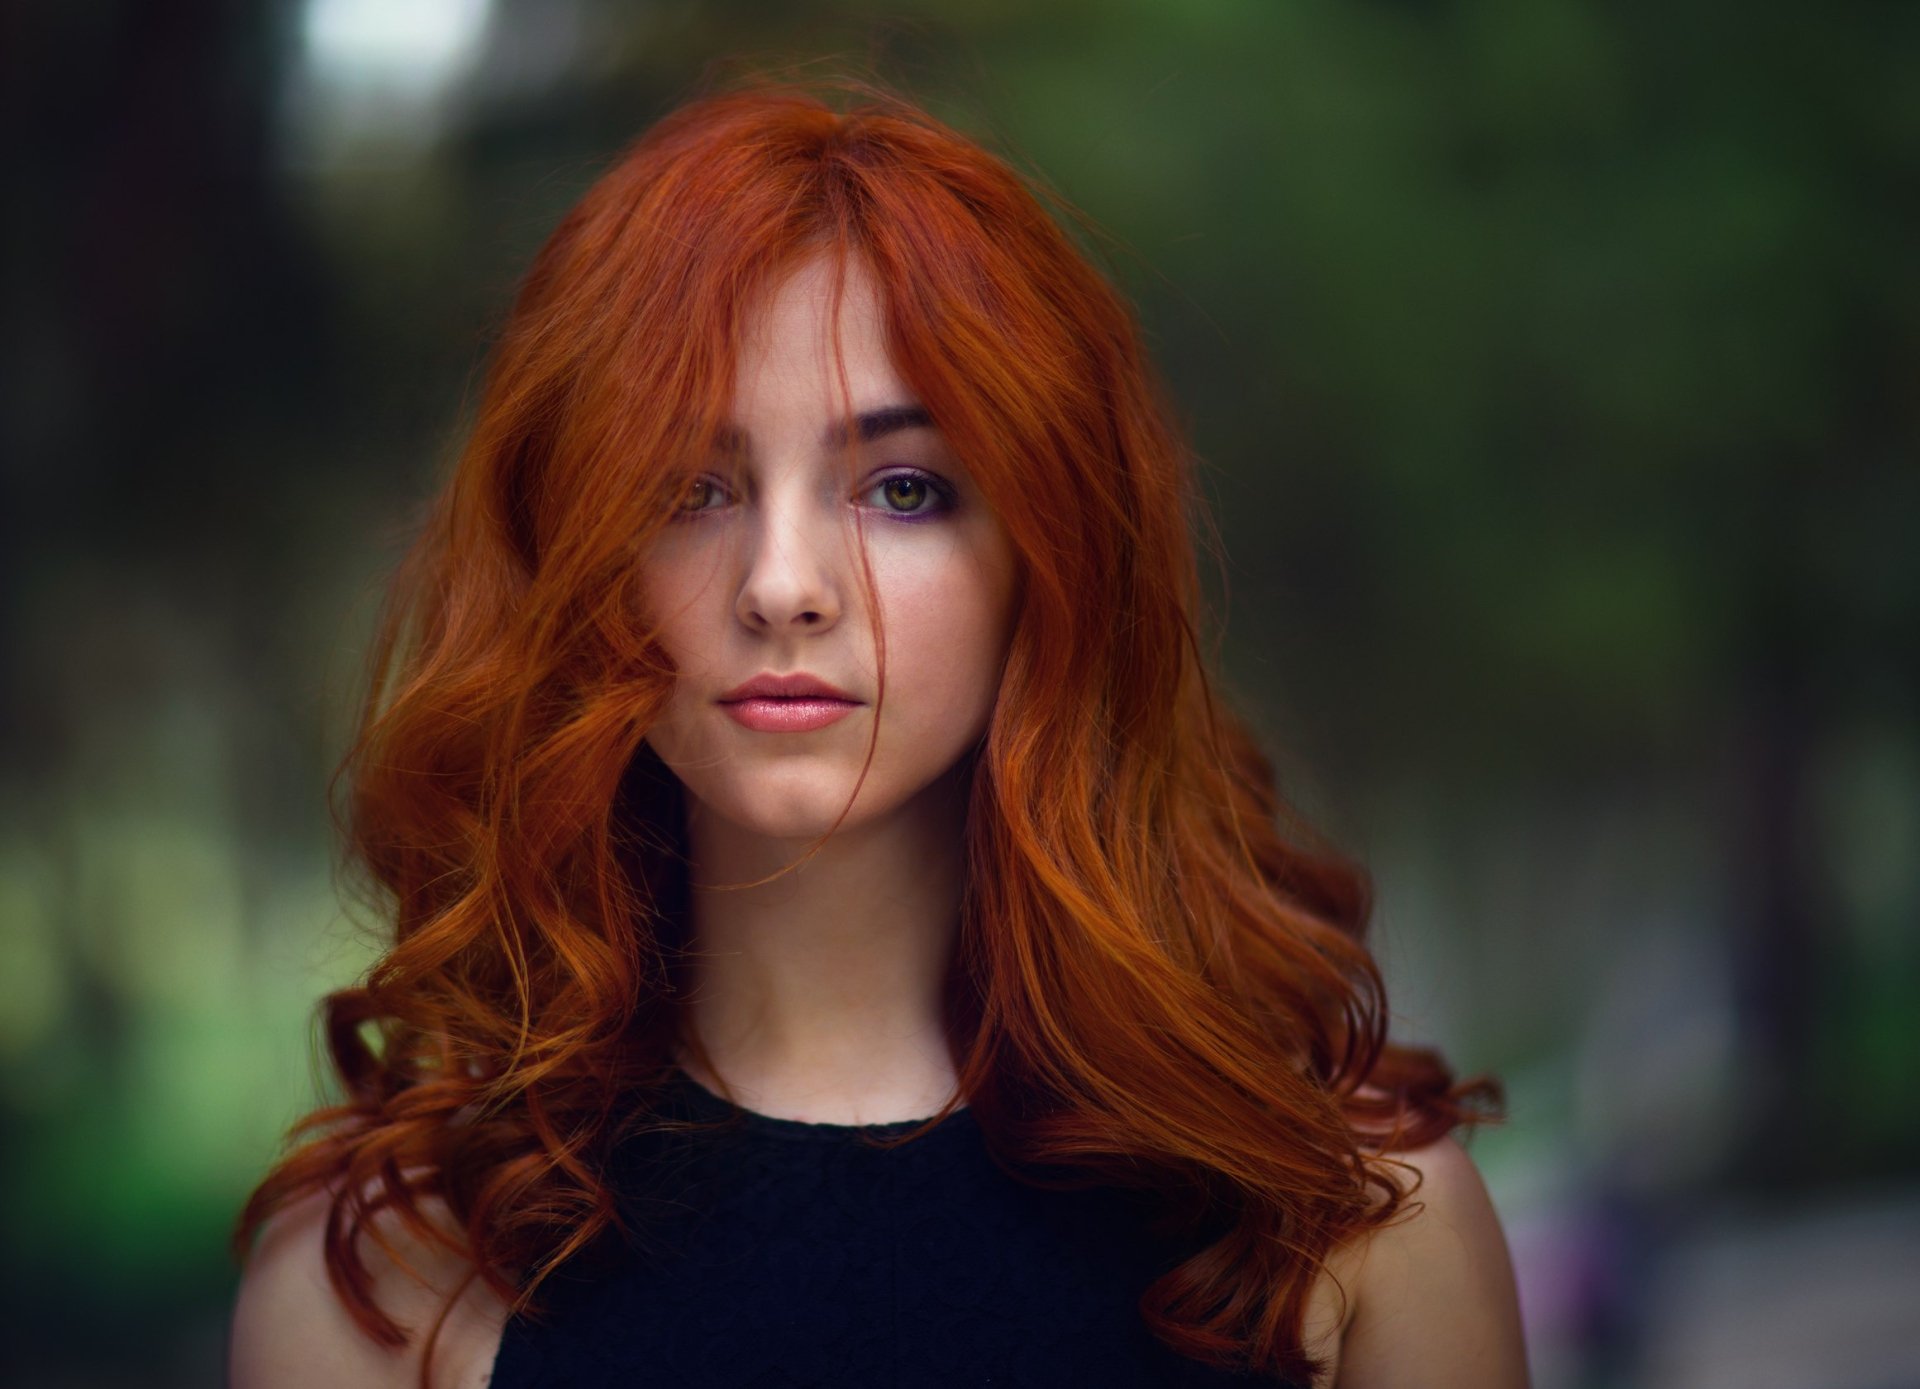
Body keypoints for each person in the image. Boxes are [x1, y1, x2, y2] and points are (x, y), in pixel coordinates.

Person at [227, 80, 1528, 1389]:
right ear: (571, 548)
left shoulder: (1349, 1223)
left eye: (902, 488)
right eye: (688, 486)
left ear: (1051, 555)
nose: (782, 581)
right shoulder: (384, 1273)